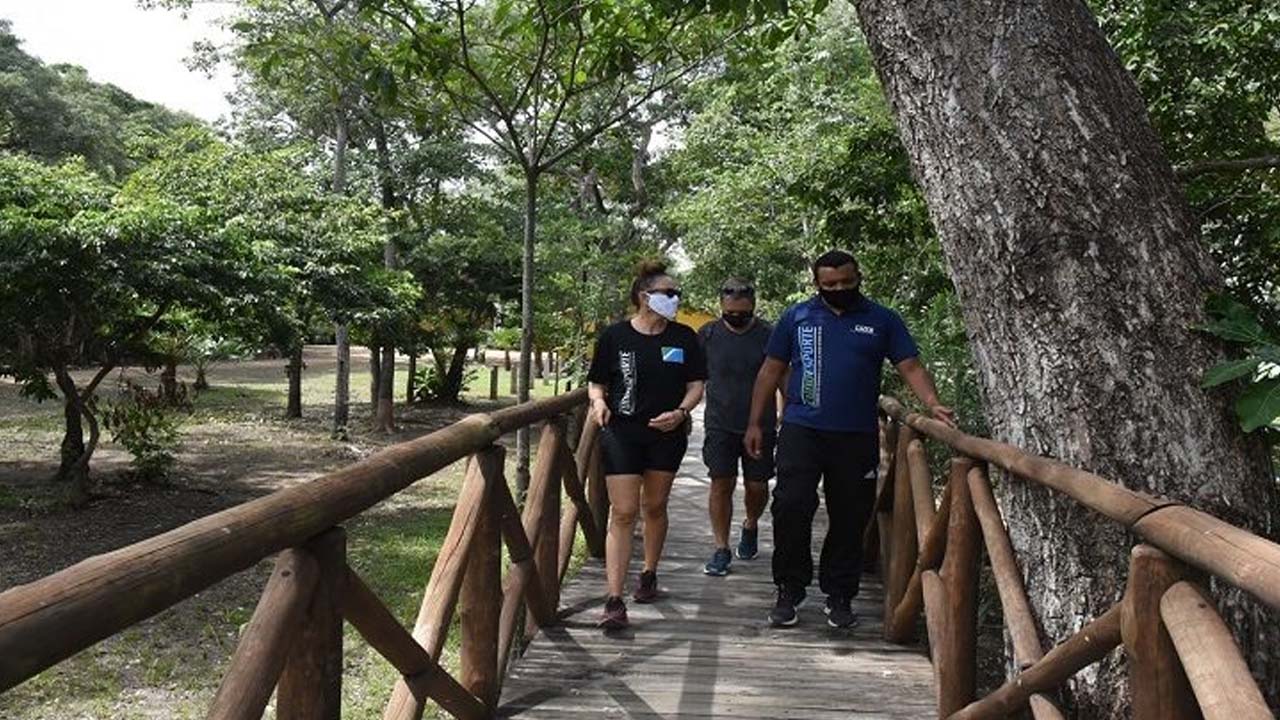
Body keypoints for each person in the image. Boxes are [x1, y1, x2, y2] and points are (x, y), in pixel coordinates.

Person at [745, 250, 956, 629]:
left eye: (847, 282)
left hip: (856, 434)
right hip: (801, 428)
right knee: (791, 505)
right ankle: (789, 587)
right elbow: (770, 370)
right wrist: (756, 423)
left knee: (850, 514)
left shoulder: (882, 320)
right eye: (830, 285)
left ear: (858, 277)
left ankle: (839, 593)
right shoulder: (797, 317)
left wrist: (933, 403)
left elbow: (909, 365)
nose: (840, 289)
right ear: (817, 284)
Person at [588, 261, 707, 630]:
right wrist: (598, 402)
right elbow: (597, 382)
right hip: (622, 431)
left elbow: (696, 384)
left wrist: (681, 412)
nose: (675, 299)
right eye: (668, 293)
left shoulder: (684, 337)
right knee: (623, 512)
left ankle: (649, 572)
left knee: (654, 506)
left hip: (666, 434)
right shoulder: (614, 336)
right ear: (645, 296)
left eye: (677, 294)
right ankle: (613, 598)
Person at [698, 278, 775, 576]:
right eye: (730, 313)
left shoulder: (769, 334)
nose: (736, 318)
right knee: (721, 483)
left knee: (757, 486)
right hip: (719, 423)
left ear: (753, 306)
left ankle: (751, 523)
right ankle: (721, 548)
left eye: (743, 313)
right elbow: (693, 377)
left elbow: (781, 375)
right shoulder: (707, 334)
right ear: (721, 306)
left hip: (761, 424)